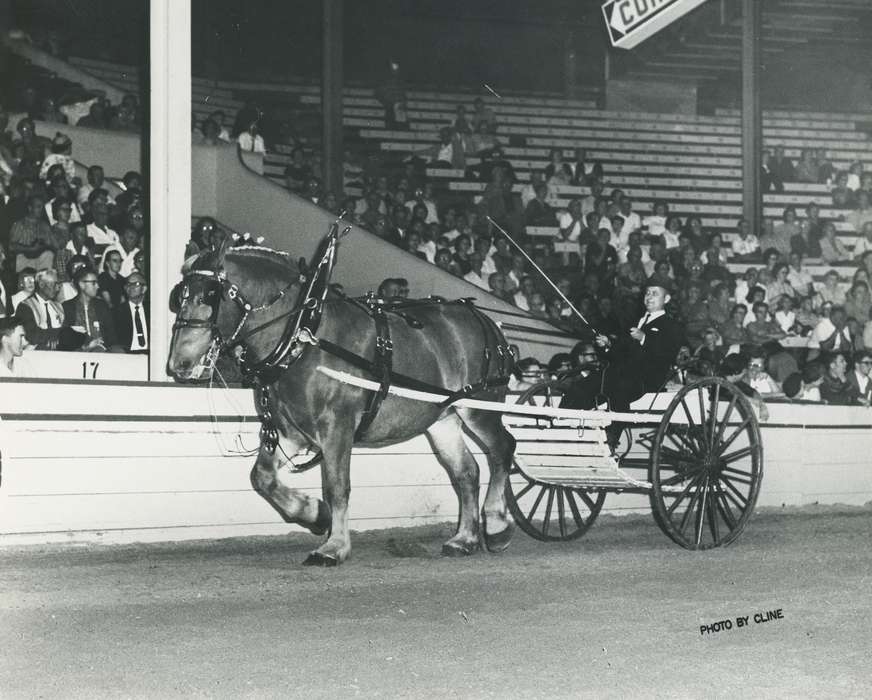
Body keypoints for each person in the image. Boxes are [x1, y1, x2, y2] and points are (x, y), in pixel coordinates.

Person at [561, 282, 685, 440]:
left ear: (666, 299)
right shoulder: (636, 322)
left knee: (619, 387)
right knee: (582, 386)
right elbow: (620, 353)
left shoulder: (671, 325)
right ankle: (562, 426)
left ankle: (611, 437)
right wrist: (608, 345)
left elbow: (667, 354)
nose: (649, 297)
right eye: (647, 293)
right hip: (621, 373)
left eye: (655, 293)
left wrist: (644, 338)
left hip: (647, 379)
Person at [114, 272, 149, 353]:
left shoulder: (152, 310)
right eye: (129, 284)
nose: (131, 287)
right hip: (127, 355)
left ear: (144, 289)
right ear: (125, 288)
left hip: (151, 355)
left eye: (136, 284)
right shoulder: (117, 312)